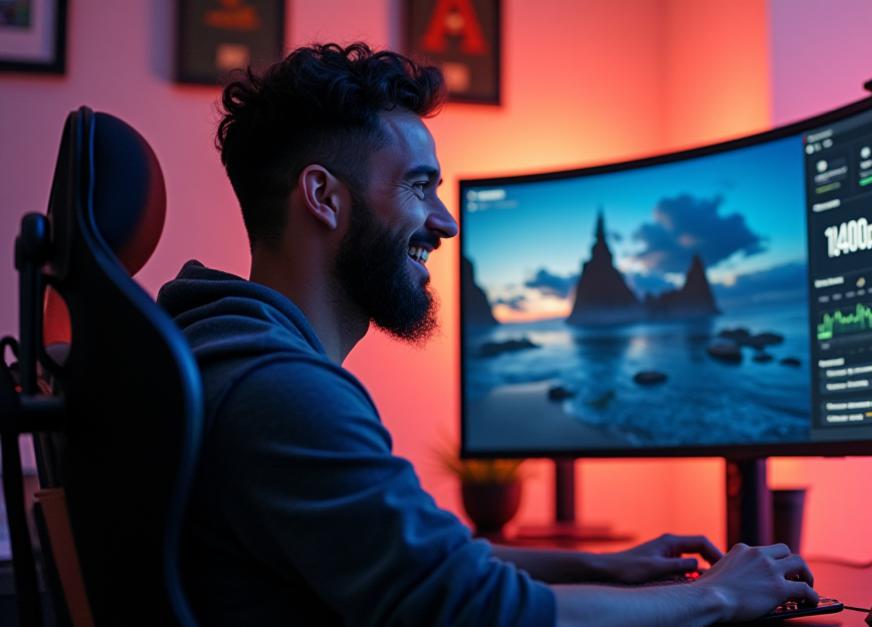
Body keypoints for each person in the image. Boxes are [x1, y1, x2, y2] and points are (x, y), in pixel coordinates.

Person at [157, 42, 818, 626]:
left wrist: (609, 567)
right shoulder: (282, 392)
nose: (444, 222)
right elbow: (480, 609)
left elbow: (424, 553)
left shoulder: (229, 355)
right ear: (324, 197)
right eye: (420, 187)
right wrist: (720, 596)